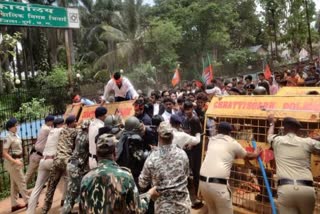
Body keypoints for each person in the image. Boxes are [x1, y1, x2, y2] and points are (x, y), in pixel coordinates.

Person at [80, 134, 159, 213]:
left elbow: (82, 209)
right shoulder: (125, 177)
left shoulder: (86, 178)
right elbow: (137, 210)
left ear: (97, 153)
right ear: (115, 153)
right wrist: (149, 194)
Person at [199, 122, 261, 214]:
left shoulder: (212, 140)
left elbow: (224, 153)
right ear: (230, 132)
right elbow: (249, 156)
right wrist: (256, 153)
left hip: (202, 183)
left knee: (212, 211)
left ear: (217, 130)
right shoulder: (232, 143)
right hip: (218, 186)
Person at [267, 116, 320, 214]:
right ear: (298, 130)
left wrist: (272, 123)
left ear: (284, 128)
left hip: (286, 189)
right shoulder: (307, 142)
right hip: (306, 190)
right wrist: (314, 138)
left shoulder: (277, 140)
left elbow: (269, 135)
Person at [139, 121, 191, 213]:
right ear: (172, 136)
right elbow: (186, 175)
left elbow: (142, 183)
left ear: (159, 137)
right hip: (183, 207)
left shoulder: (152, 158)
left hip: (164, 208)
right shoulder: (183, 154)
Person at [27, 118, 65, 214]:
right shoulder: (60, 130)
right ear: (60, 124)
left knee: (37, 188)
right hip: (52, 161)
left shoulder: (50, 130)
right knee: (68, 178)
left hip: (43, 160)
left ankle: (29, 212)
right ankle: (65, 204)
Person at [41, 115, 78, 214]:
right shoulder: (73, 131)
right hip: (66, 160)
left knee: (51, 186)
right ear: (71, 123)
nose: (77, 122)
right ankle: (68, 209)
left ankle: (45, 210)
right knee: (73, 184)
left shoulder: (61, 130)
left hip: (56, 160)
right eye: (75, 121)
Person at [62, 120, 91, 214]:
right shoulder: (87, 137)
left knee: (72, 191)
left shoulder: (78, 134)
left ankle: (68, 211)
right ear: (88, 127)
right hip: (76, 167)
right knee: (77, 193)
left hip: (72, 165)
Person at [2, 118, 29, 212]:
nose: (17, 127)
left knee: (14, 184)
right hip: (12, 163)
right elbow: (4, 153)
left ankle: (14, 205)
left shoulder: (16, 135)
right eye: (15, 125)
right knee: (21, 181)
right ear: (10, 128)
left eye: (17, 125)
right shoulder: (8, 137)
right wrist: (15, 161)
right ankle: (28, 201)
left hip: (17, 160)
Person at [26, 115, 54, 185]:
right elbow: (55, 132)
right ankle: (21, 190)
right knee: (30, 173)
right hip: (36, 155)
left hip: (40, 154)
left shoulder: (45, 127)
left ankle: (42, 184)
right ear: (49, 122)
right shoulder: (46, 129)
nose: (53, 123)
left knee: (41, 171)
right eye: (52, 121)